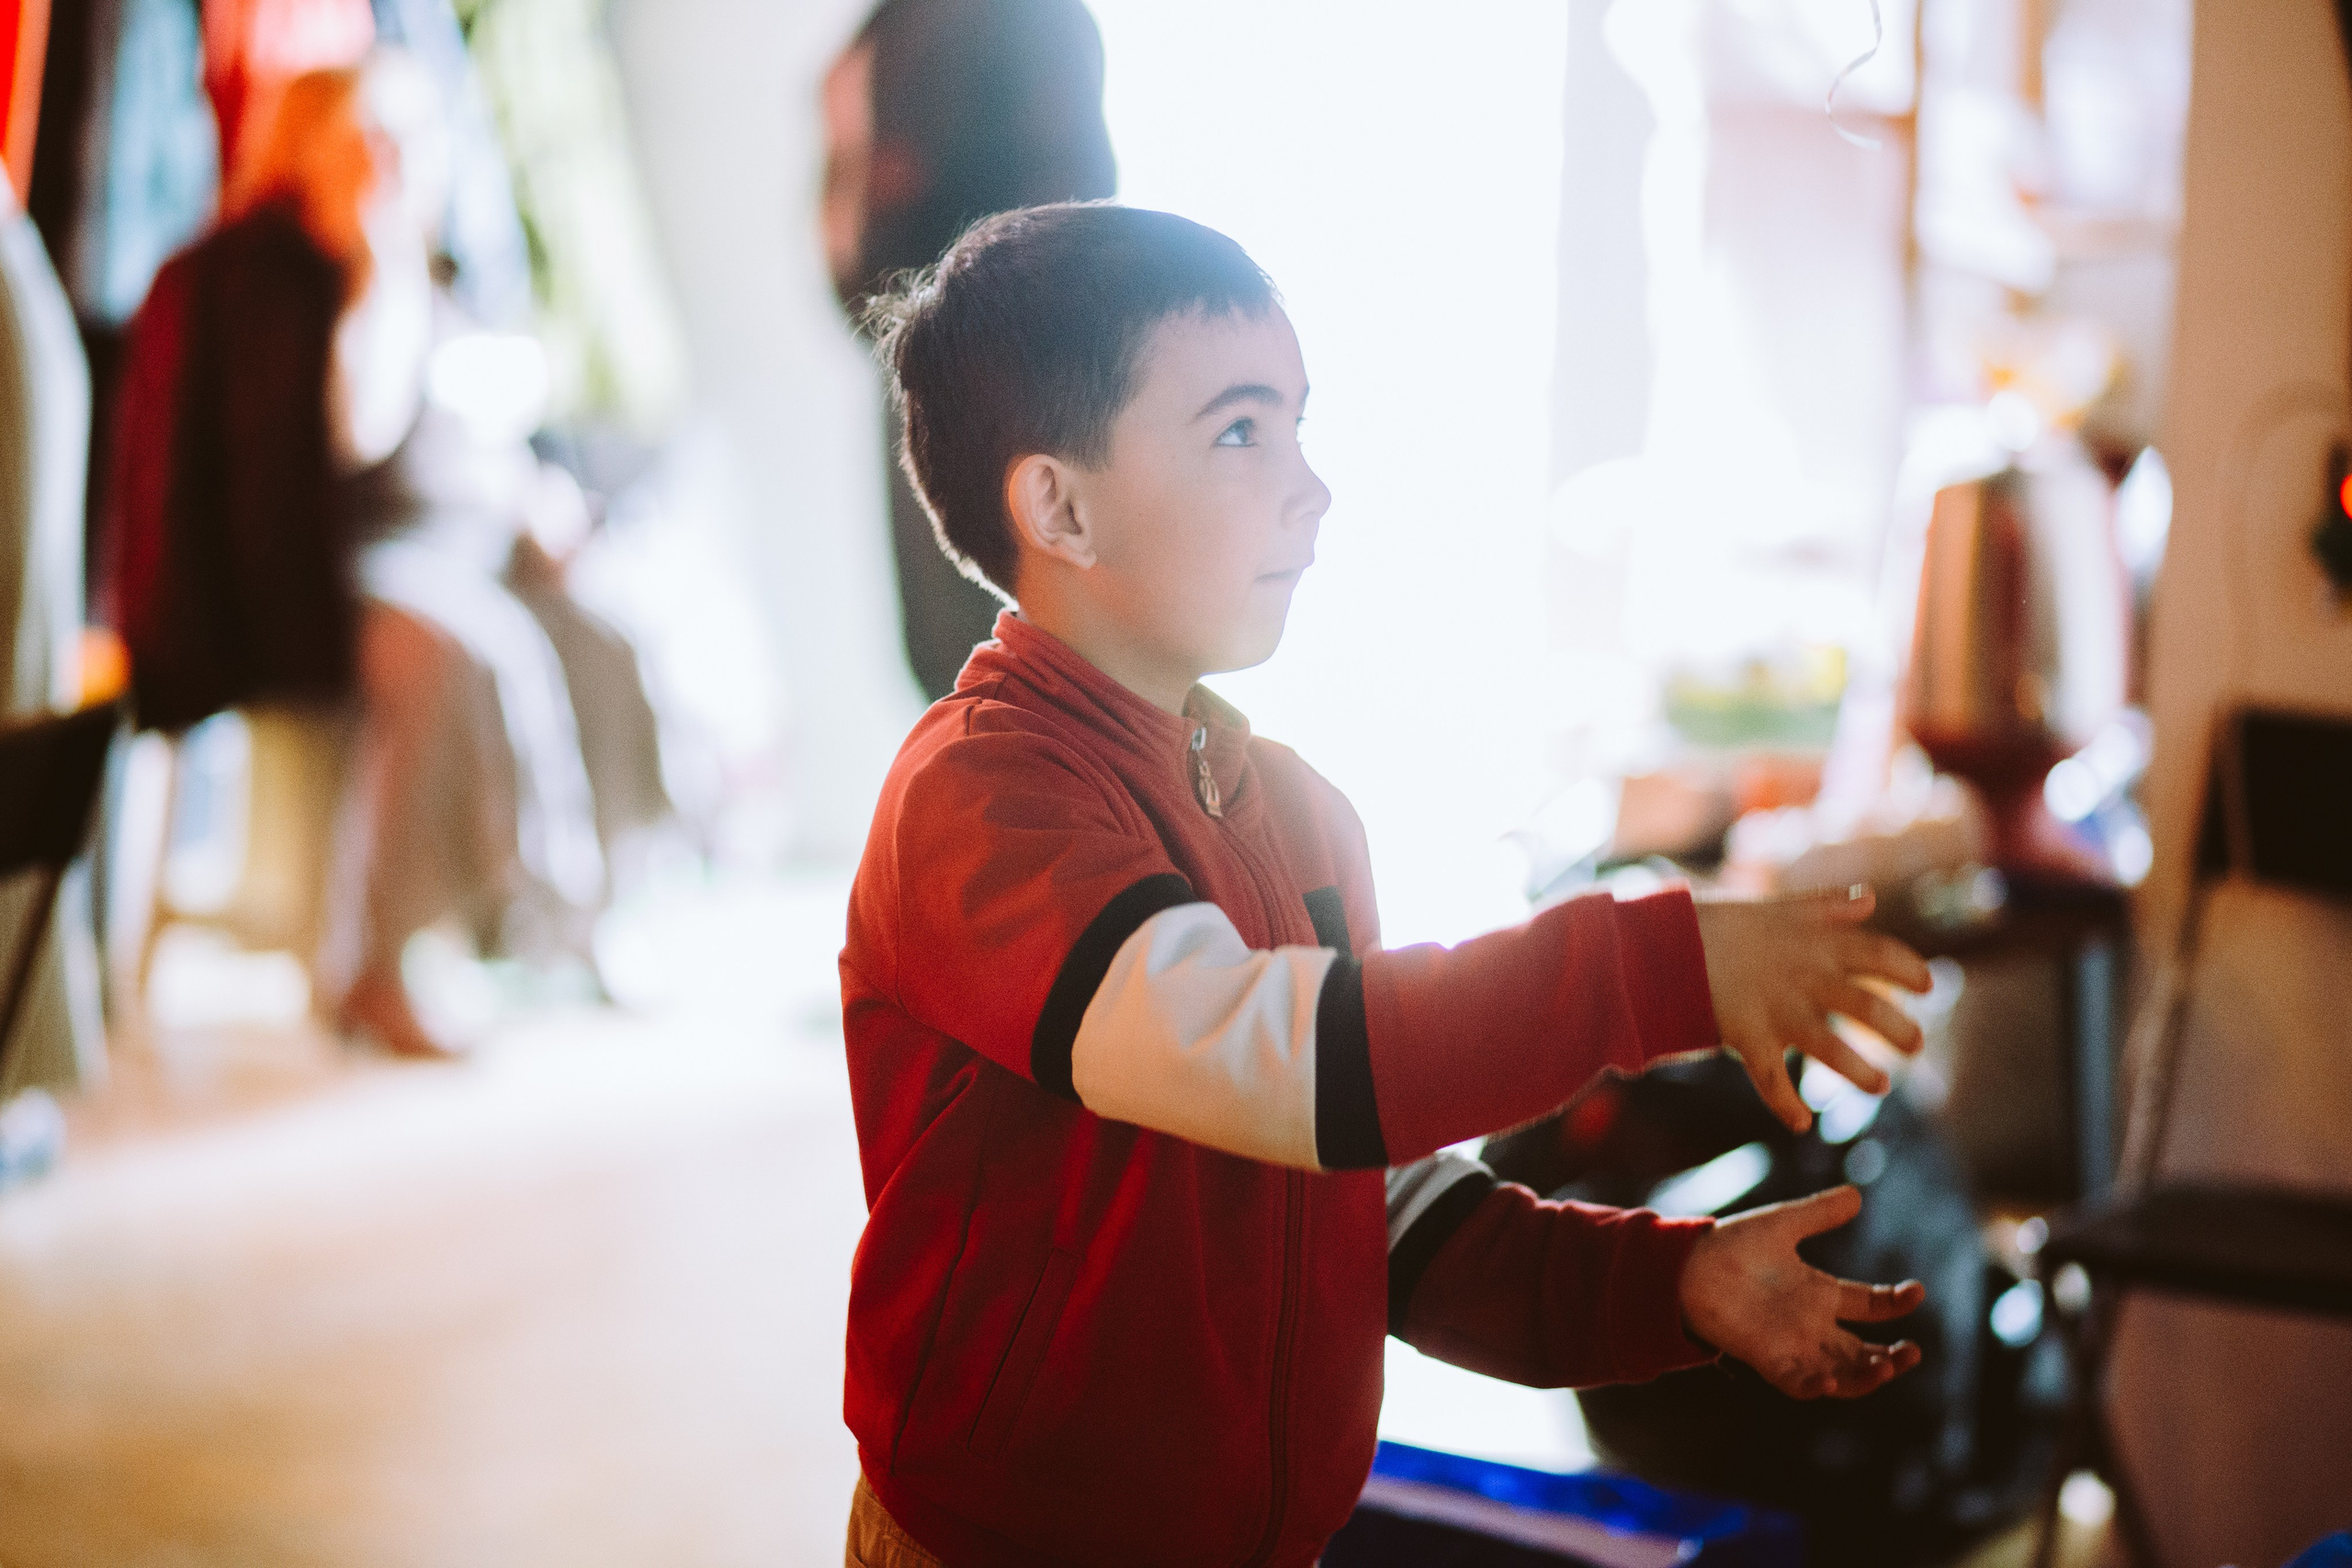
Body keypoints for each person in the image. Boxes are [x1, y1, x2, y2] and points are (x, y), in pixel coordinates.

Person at [839, 202, 1938, 1567]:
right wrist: (1662, 967)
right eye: (1241, 430)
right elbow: (1281, 1061)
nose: (1310, 485)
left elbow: (1388, 1213)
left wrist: (1672, 1283)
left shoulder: (1300, 815)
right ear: (1058, 502)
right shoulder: (975, 800)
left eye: (1298, 424)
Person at [820, 0, 1115, 702]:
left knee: (1006, 671)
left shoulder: (1024, 22)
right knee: (957, 669)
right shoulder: (899, 24)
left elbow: (1075, 191)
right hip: (920, 361)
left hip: (990, 366)